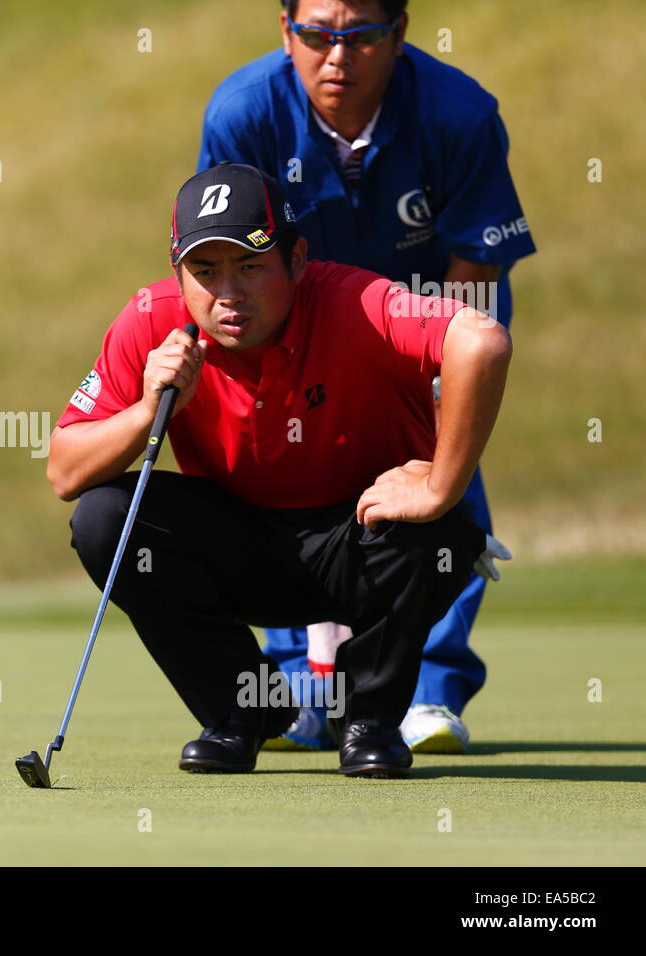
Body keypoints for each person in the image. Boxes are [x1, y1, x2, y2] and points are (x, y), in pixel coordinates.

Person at [47, 162, 511, 777]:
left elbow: (481, 341)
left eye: (251, 265)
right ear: (177, 270)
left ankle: (367, 719)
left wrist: (439, 487)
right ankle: (241, 714)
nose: (228, 292)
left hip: (364, 539)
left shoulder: (357, 302)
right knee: (106, 519)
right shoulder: (152, 320)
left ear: (297, 261)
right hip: (241, 549)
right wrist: (146, 411)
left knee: (440, 529)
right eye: (205, 271)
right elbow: (63, 471)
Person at [195, 0, 534, 752]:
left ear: (400, 33)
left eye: (361, 36)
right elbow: (221, 258)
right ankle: (297, 692)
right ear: (285, 33)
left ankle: (429, 695)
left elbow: (475, 264)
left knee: (441, 479)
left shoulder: (459, 113)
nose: (336, 57)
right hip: (295, 329)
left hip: (426, 328)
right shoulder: (242, 112)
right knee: (275, 480)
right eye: (316, 36)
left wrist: (438, 389)